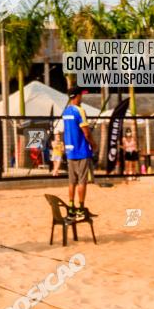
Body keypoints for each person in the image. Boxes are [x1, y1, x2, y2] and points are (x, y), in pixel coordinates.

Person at [61, 86, 97, 221]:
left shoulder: (65, 112)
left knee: (72, 182)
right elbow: (86, 133)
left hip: (70, 151)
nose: (82, 97)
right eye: (81, 95)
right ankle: (81, 209)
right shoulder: (80, 110)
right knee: (82, 181)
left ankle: (71, 208)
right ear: (76, 96)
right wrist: (93, 144)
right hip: (81, 150)